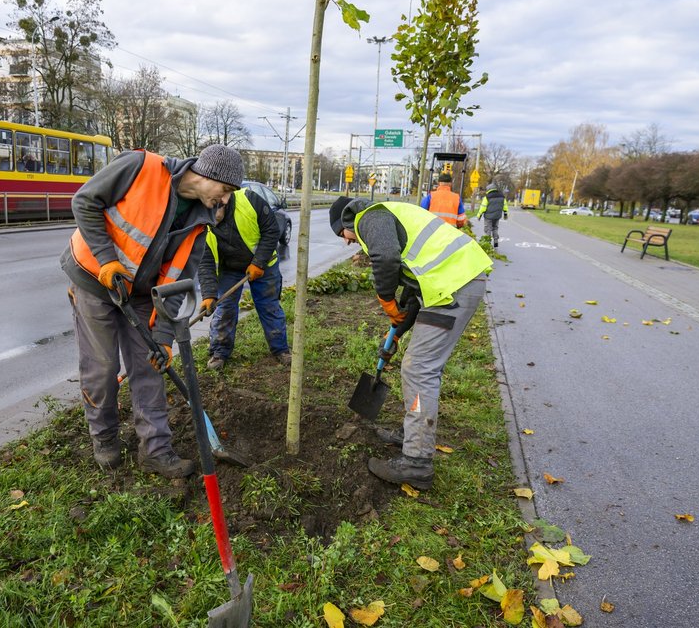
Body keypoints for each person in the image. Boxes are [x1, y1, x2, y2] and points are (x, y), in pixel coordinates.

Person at [60, 144, 244, 477]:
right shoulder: (140, 167)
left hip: (143, 294)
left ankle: (156, 451)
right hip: (93, 278)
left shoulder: (200, 224)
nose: (225, 199)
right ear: (207, 174)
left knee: (149, 369)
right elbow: (85, 201)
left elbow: (175, 284)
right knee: (102, 368)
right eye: (226, 190)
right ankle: (104, 438)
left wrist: (162, 339)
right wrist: (106, 260)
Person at [329, 196, 492, 489]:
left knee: (419, 369)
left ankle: (416, 463)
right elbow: (414, 300)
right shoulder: (389, 216)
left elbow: (387, 259)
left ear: (345, 221)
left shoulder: (370, 217)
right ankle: (414, 435)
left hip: (453, 287)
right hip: (453, 283)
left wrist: (385, 299)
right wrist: (397, 328)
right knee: (419, 366)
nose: (347, 242)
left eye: (342, 235)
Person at [198, 186, 290, 371]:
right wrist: (209, 295)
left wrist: (259, 262)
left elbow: (272, 230)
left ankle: (281, 350)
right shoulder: (203, 224)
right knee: (224, 309)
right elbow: (205, 262)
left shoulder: (249, 200)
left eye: (215, 214)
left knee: (269, 306)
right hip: (230, 268)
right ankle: (219, 352)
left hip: (264, 265)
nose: (212, 221)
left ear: (223, 201)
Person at [477, 182, 509, 248]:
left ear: (489, 189)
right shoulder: (502, 196)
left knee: (488, 229)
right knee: (495, 228)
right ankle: (496, 241)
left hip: (488, 216)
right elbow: (505, 206)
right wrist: (505, 213)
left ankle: (487, 242)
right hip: (497, 216)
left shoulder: (487, 197)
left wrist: (479, 215)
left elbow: (483, 207)